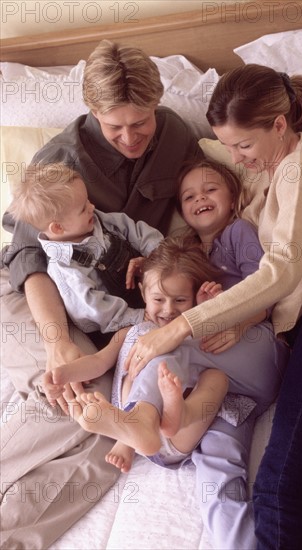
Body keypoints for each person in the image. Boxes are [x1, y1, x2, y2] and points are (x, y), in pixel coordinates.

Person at [123, 65, 302, 549]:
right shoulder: (265, 179)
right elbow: (238, 269)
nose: (236, 158)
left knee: (278, 496)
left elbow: (283, 270)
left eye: (244, 146)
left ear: (279, 124)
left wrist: (180, 328)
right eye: (226, 147)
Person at [0, 39, 203, 549]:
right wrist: (55, 341)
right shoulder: (59, 162)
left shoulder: (174, 133)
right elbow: (28, 263)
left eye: (142, 122)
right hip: (42, 297)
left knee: (116, 434)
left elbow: (201, 194)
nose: (131, 137)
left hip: (118, 312)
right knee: (61, 404)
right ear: (92, 110)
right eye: (116, 127)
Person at [57, 158, 289, 549]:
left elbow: (265, 291)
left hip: (251, 349)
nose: (200, 198)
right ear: (180, 209)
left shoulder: (237, 233)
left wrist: (237, 321)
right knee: (218, 467)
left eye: (211, 189)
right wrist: (148, 266)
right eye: (189, 195)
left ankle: (138, 424)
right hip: (227, 392)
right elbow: (162, 285)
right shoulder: (181, 248)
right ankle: (243, 544)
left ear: (233, 196)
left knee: (157, 336)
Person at [42, 236, 228, 473]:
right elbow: (98, 363)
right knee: (156, 353)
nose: (169, 309)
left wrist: (207, 309)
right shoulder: (129, 333)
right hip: (136, 424)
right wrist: (61, 375)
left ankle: (136, 433)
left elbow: (220, 342)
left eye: (180, 300)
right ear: (143, 293)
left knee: (217, 378)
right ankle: (130, 431)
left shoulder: (187, 334)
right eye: (159, 299)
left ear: (192, 298)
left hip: (177, 433)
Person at [7, 162, 163, 337]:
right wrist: (137, 317)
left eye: (87, 200)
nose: (92, 207)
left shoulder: (96, 221)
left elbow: (132, 228)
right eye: (83, 208)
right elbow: (94, 308)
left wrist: (159, 254)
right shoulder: (64, 268)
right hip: (119, 323)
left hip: (148, 289)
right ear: (58, 228)